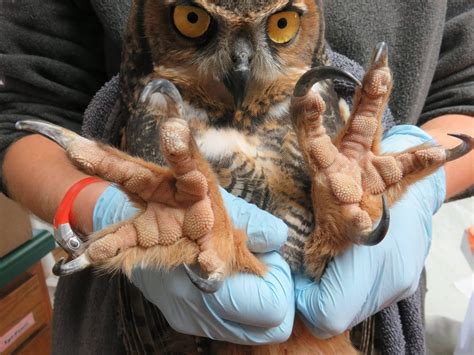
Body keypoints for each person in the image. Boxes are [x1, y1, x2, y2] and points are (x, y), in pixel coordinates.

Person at [0, 0, 472, 353]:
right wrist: (94, 201)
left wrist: (403, 182)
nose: (241, 64)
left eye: (282, 25)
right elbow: (24, 110)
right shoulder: (154, 108)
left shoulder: (321, 98)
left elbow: (464, 90)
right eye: (194, 21)